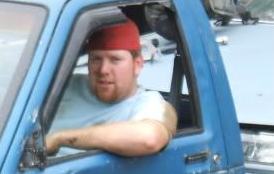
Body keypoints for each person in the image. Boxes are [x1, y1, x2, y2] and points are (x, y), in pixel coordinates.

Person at [46, 18, 177, 157]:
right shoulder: (66, 86)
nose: (103, 70)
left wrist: (59, 139)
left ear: (137, 65)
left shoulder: (150, 104)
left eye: (115, 59)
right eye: (96, 59)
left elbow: (150, 138)